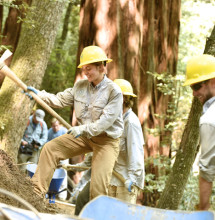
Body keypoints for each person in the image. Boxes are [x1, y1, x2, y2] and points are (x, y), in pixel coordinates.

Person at [26, 45, 124, 200]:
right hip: (85, 137)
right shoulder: (80, 86)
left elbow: (104, 123)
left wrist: (82, 129)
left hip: (107, 141)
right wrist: (40, 96)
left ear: (101, 67)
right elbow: (59, 99)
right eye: (84, 68)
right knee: (50, 149)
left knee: (98, 187)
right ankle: (35, 195)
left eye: (89, 68)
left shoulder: (114, 92)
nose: (85, 72)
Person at [73, 79, 145, 215]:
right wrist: (85, 163)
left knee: (118, 215)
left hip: (124, 181)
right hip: (107, 174)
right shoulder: (109, 119)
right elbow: (100, 144)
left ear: (123, 99)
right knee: (83, 198)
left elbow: (137, 153)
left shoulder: (131, 123)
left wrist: (133, 178)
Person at [183, 54, 215, 210]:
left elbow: (206, 171)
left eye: (197, 86)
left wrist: (203, 210)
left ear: (213, 82)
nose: (194, 93)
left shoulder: (209, 119)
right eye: (192, 88)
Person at [47, 118, 68, 201]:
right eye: (53, 126)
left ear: (59, 125)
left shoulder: (64, 131)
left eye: (57, 126)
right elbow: (47, 142)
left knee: (62, 174)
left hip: (64, 155)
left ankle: (62, 197)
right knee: (52, 174)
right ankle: (52, 194)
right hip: (53, 156)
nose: (55, 128)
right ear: (51, 126)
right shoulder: (50, 132)